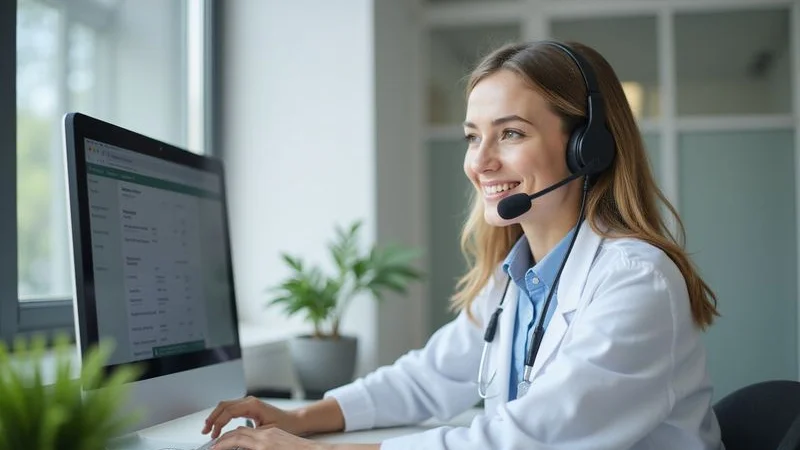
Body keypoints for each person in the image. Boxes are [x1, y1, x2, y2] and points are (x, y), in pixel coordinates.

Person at [201, 40, 724, 450]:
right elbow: (426, 379)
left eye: (511, 133)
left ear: (589, 148)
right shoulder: (515, 277)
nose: (481, 161)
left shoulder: (635, 278)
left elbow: (534, 440)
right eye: (474, 136)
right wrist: (299, 418)